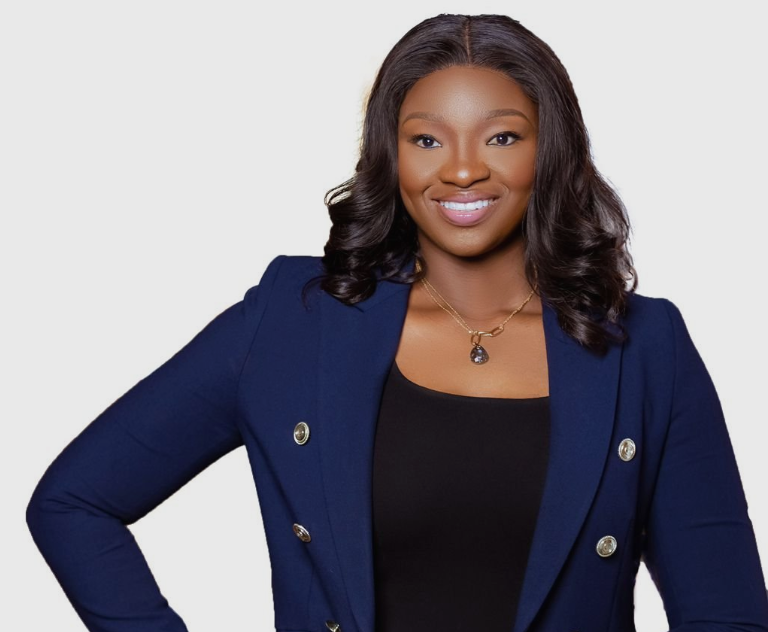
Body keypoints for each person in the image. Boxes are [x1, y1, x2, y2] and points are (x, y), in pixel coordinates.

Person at [26, 13, 768, 632]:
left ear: (552, 150)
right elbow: (74, 502)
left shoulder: (646, 348)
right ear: (392, 152)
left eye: (502, 137)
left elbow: (726, 613)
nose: (463, 169)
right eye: (427, 139)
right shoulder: (294, 322)